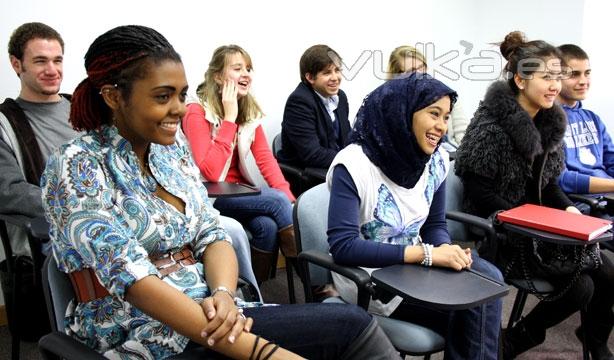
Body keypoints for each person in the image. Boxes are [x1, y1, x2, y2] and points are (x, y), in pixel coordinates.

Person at [41, 25, 397, 360]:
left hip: (211, 308)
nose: (179, 108)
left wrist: (224, 295)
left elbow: (212, 233)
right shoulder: (77, 164)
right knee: (348, 329)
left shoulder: (169, 151)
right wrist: (263, 352)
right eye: (163, 96)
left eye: (181, 95)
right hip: (138, 329)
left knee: (355, 327)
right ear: (113, 97)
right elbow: (131, 277)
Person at [455, 31, 614, 359]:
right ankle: (520, 339)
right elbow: (479, 193)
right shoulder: (490, 127)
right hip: (499, 229)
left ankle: (594, 339)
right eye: (547, 77)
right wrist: (529, 219)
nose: (556, 85)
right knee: (582, 286)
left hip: (539, 226)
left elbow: (551, 185)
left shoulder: (552, 123)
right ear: (521, 80)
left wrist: (569, 211)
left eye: (559, 76)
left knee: (609, 271)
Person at [327, 72, 503, 359]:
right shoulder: (354, 165)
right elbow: (344, 247)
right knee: (474, 316)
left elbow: (434, 225)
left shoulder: (435, 159)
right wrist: (427, 255)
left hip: (417, 268)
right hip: (371, 281)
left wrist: (444, 247)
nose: (441, 127)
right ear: (402, 112)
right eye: (434, 114)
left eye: (446, 117)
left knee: (488, 279)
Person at [183, 45, 296, 284]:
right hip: (209, 196)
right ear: (217, 76)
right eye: (237, 68)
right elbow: (210, 172)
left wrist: (292, 202)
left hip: (237, 193)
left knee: (266, 226)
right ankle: (311, 279)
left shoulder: (249, 110)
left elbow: (265, 159)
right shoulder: (196, 111)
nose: (246, 74)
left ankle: (255, 291)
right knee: (276, 201)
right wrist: (229, 119)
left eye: (248, 68)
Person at [0, 22, 79, 256]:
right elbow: (9, 192)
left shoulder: (84, 110)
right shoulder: (4, 123)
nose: (52, 70)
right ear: (17, 64)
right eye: (40, 61)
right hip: (49, 250)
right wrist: (80, 207)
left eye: (57, 60)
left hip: (113, 235)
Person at [557, 44, 614, 218]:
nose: (583, 81)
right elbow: (561, 180)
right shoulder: (547, 122)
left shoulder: (592, 118)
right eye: (574, 75)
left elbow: (611, 161)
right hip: (583, 205)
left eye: (587, 73)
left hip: (607, 197)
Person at [279, 44, 351, 170]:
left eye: (337, 70)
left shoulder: (341, 97)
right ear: (310, 77)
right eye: (327, 72)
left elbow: (347, 139)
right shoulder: (299, 102)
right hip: (309, 175)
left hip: (336, 167)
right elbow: (312, 155)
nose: (335, 78)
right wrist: (351, 160)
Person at [387, 45, 469, 149]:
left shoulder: (446, 96)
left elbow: (464, 135)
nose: (420, 74)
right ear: (397, 76)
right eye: (412, 71)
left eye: (422, 68)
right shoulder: (389, 107)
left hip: (451, 156)